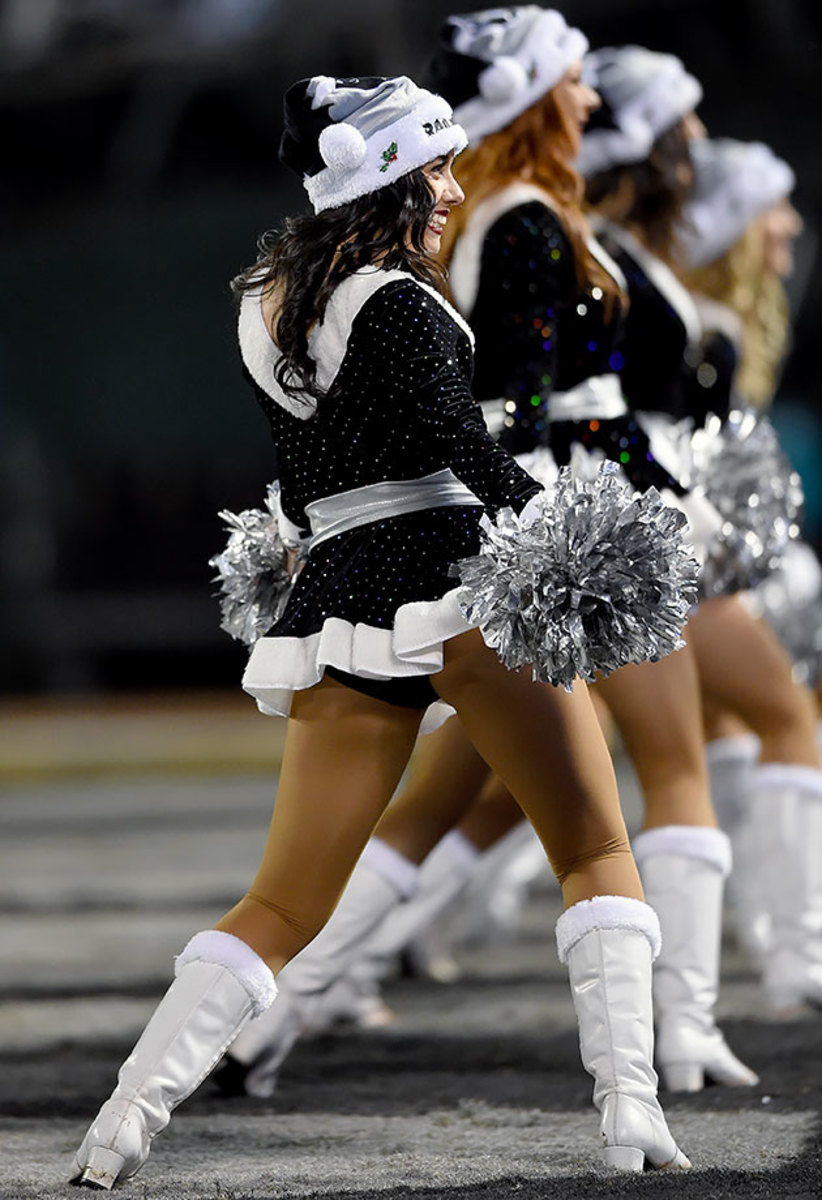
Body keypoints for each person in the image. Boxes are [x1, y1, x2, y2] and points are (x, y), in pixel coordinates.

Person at [71, 71, 690, 1189]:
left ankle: (118, 1126)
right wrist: (571, 536)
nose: (452, 190)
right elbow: (465, 453)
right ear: (389, 177)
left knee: (279, 903)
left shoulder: (266, 297)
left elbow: (308, 489)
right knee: (598, 849)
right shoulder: (396, 299)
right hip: (458, 586)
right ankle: (632, 1116)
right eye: (436, 168)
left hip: (340, 598)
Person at [220, 12, 752, 1103]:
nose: (590, 98)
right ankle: (683, 1031)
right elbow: (514, 405)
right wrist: (590, 515)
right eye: (571, 79)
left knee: (467, 802)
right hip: (549, 527)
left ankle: (270, 1023)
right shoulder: (515, 222)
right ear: (536, 96)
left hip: (535, 520)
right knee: (670, 768)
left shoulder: (519, 214)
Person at [673, 136, 822, 1014]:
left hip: (654, 557)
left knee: (499, 794)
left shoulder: (724, 322)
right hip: (655, 563)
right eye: (774, 205)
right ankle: (791, 953)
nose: (792, 223)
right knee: (777, 717)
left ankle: (773, 936)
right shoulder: (703, 327)